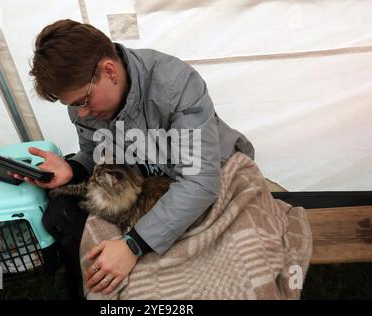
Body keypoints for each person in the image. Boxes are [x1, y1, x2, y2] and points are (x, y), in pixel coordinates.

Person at [14, 19, 254, 298]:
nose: (81, 113)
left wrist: (133, 245)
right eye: (73, 106)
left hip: (212, 172)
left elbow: (199, 181)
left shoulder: (176, 84)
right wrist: (73, 169)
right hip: (146, 186)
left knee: (218, 271)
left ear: (109, 70)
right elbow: (96, 155)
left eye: (83, 101)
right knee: (61, 212)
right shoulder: (85, 107)